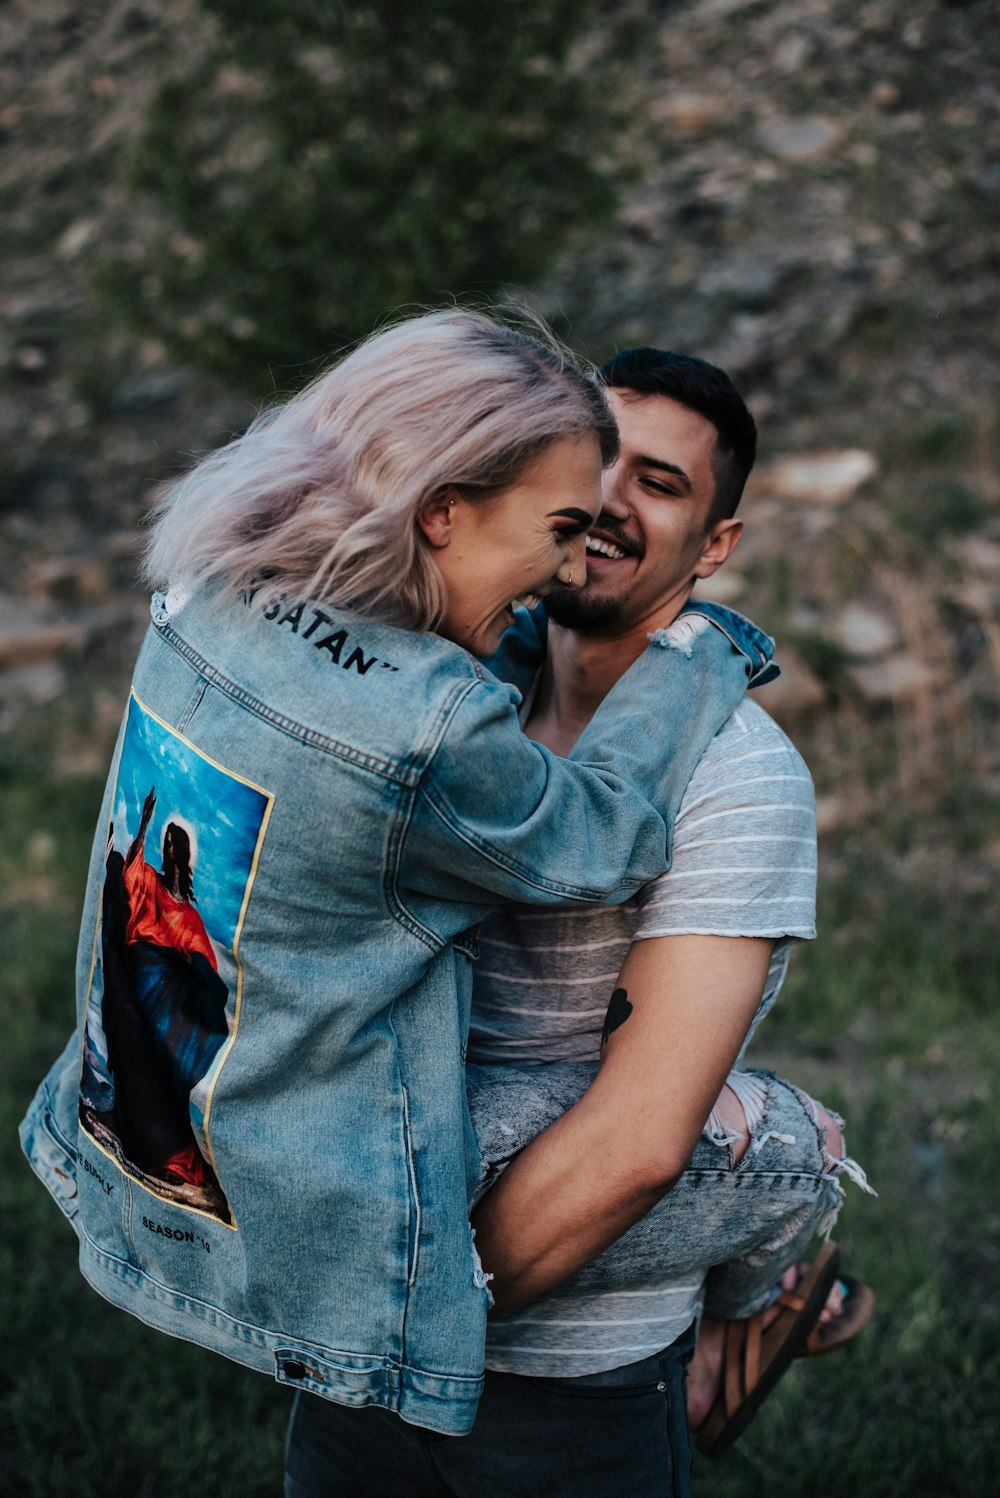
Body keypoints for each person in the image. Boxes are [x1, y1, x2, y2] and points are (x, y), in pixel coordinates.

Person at [20, 310, 776, 1444]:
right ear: (440, 512)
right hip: (321, 1216)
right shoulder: (426, 732)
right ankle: (776, 1290)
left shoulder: (209, 589)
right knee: (786, 1137)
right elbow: (607, 830)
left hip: (136, 1146)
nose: (574, 562)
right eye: (561, 524)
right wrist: (704, 646)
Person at [282, 348, 871, 1496]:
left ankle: (753, 1293)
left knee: (778, 1136)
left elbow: (640, 1143)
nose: (607, 499)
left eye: (657, 482)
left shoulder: (737, 776)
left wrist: (394, 1312)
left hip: (570, 1392)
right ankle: (756, 1301)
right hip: (356, 1353)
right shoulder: (440, 699)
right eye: (594, 458)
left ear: (714, 549)